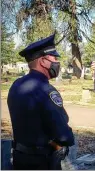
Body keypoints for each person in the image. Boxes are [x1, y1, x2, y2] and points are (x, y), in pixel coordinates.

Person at [7, 33, 74, 170]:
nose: (57, 62)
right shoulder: (46, 89)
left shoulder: (16, 85)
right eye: (54, 58)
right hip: (42, 161)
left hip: (19, 158)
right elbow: (63, 135)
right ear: (43, 61)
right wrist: (68, 138)